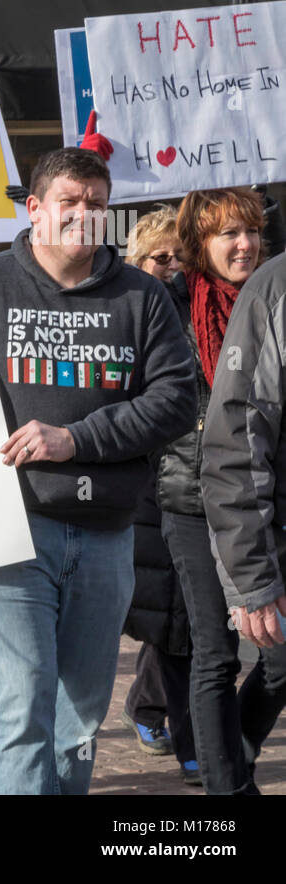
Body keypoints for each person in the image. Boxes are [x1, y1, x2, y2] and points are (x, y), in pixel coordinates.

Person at [0, 147, 197, 794]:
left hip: (106, 534)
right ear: (36, 208)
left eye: (97, 205)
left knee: (78, 721)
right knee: (19, 712)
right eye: (69, 202)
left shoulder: (143, 296)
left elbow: (176, 401)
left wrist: (76, 439)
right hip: (8, 532)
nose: (84, 216)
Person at [180, 188, 286, 794]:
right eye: (227, 233)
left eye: (250, 230)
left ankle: (235, 746)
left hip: (258, 501)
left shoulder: (271, 296)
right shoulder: (172, 306)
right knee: (216, 654)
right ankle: (226, 791)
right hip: (193, 502)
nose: (243, 243)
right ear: (201, 243)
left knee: (279, 657)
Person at [118, 204, 197, 783]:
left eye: (178, 256)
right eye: (158, 257)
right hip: (151, 476)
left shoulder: (203, 307)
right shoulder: (133, 311)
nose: (170, 266)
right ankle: (186, 731)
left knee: (181, 612)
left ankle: (152, 706)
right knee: (171, 610)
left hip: (199, 474)